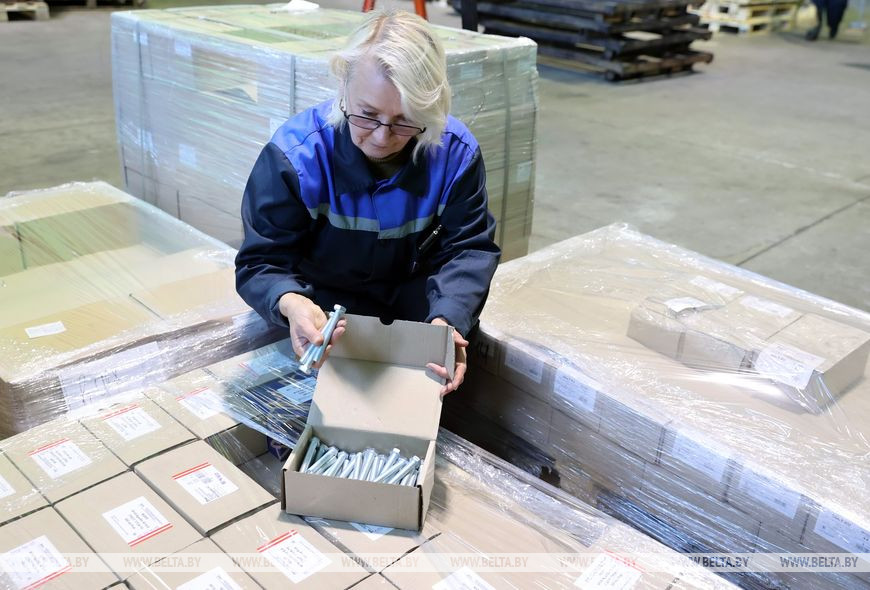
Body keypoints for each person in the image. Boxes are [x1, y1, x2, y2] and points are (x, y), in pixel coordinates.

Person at [235, 9, 501, 395]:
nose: (381, 137)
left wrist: (449, 321)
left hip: (418, 314)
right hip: (324, 318)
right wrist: (290, 302)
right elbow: (261, 262)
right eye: (367, 115)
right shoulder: (296, 158)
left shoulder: (454, 155)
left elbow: (468, 249)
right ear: (344, 85)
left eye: (405, 119)